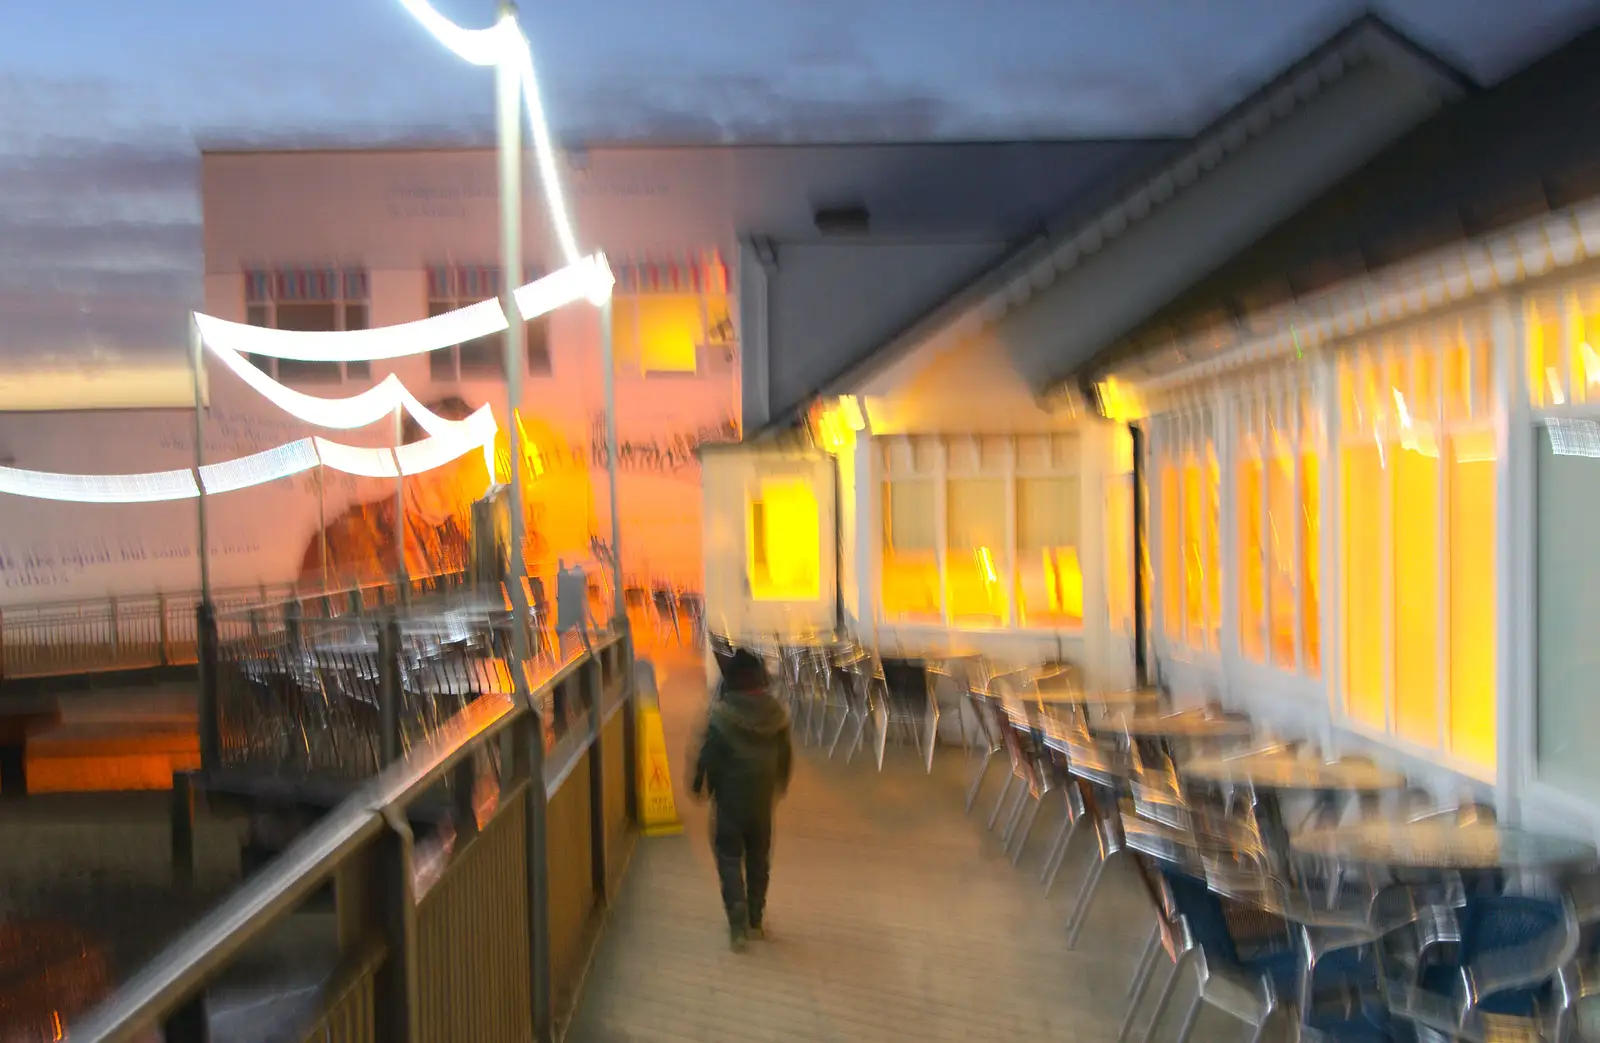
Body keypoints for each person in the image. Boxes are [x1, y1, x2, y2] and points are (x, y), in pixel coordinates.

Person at [691, 647, 793, 952]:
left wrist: (698, 784)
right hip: (762, 803)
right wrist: (779, 784)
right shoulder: (776, 713)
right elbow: (786, 757)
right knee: (759, 859)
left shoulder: (721, 716)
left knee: (729, 858)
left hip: (729, 804)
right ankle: (756, 920)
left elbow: (708, 754)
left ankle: (736, 923)